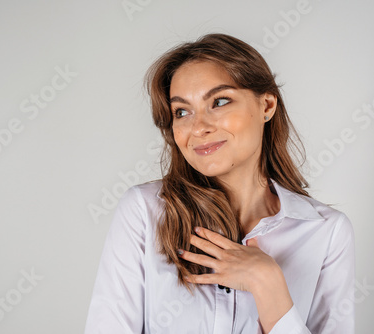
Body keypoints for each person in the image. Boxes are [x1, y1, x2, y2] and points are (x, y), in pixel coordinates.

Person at [84, 33, 355, 334]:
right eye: (181, 111)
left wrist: (268, 285)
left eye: (220, 101)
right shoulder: (145, 211)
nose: (198, 127)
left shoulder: (326, 232)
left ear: (266, 105)